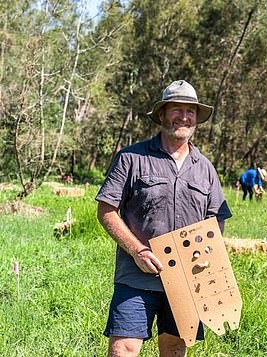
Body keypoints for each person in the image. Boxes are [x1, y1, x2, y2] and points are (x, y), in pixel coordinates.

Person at [95, 80, 232, 357]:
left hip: (187, 279)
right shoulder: (131, 158)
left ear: (196, 118)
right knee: (123, 349)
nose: (184, 116)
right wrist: (137, 251)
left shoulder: (205, 168)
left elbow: (216, 218)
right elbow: (106, 210)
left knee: (174, 349)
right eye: (176, 109)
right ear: (162, 114)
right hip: (136, 276)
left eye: (190, 111)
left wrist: (206, 252)